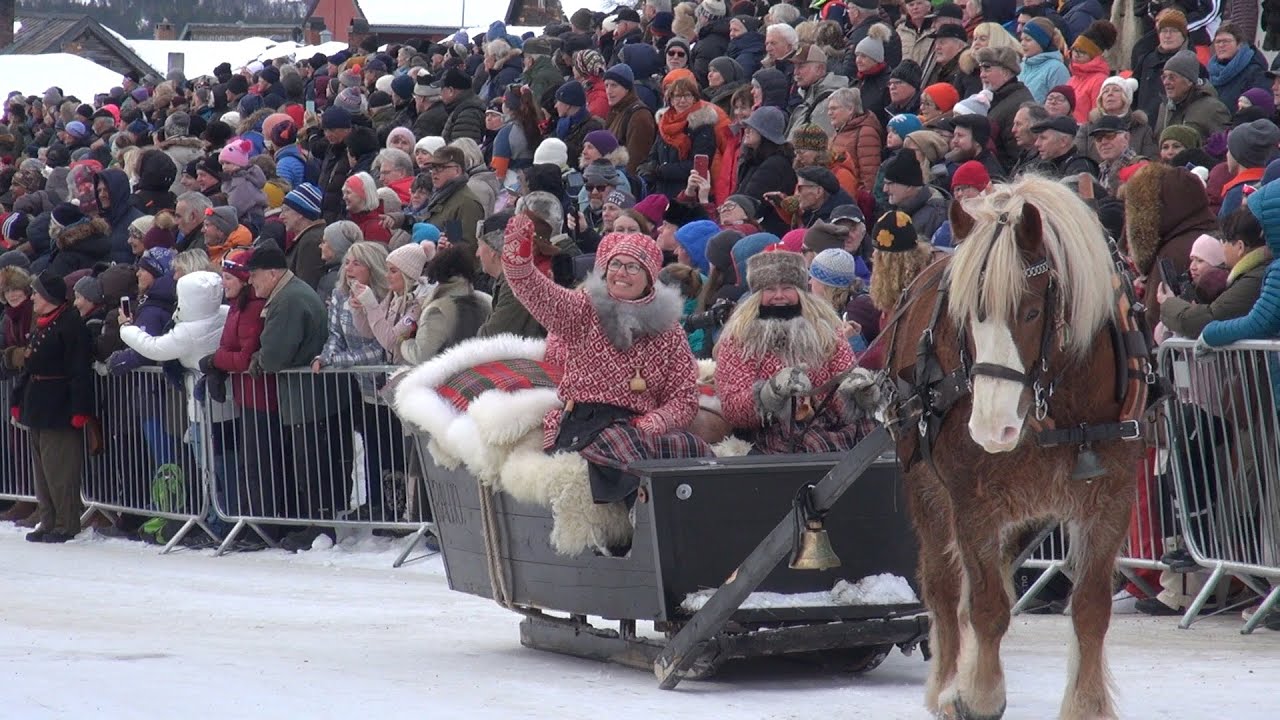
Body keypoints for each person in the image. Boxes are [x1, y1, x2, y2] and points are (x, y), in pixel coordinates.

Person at [501, 213, 710, 504]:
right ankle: (641, 519)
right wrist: (518, 264)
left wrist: (659, 420)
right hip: (587, 422)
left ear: (649, 277)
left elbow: (684, 396)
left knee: (693, 449)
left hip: (642, 425)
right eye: (615, 264)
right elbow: (539, 294)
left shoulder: (669, 331)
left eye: (632, 267)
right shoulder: (584, 309)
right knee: (626, 448)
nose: (621, 273)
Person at [714, 251, 874, 453]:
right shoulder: (740, 337)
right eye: (770, 289)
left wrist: (857, 393)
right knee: (816, 445)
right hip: (770, 427)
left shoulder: (826, 328)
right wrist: (770, 394)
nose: (779, 296)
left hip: (826, 418)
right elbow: (732, 408)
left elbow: (843, 372)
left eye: (787, 288)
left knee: (873, 433)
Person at [245, 243, 338, 552]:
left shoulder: (288, 300)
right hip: (306, 396)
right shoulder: (290, 293)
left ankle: (318, 528)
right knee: (311, 463)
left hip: (307, 399)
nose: (250, 281)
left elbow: (274, 355)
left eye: (254, 274)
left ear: (273, 273)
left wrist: (259, 358)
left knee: (311, 465)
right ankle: (315, 524)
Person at [10, 271, 92, 543]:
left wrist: (80, 409)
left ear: (49, 296)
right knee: (42, 472)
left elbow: (80, 370)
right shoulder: (42, 323)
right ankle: (47, 520)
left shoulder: (70, 324)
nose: (33, 297)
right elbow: (29, 365)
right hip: (37, 403)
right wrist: (17, 400)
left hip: (60, 405)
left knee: (60, 470)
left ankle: (65, 524)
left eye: (36, 293)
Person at [402, 245, 492, 364]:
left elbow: (421, 355)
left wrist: (405, 344)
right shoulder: (487, 300)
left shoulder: (437, 310)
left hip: (452, 372)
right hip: (488, 369)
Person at [641, 77, 720, 200]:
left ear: (694, 99)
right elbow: (654, 155)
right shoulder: (664, 124)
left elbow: (698, 164)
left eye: (687, 95)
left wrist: (662, 171)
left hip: (689, 193)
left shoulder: (702, 126)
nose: (682, 100)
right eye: (677, 96)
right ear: (671, 100)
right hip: (661, 191)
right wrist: (648, 168)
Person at [736, 107, 797, 235]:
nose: (746, 131)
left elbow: (750, 204)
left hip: (766, 233)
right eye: (747, 126)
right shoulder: (755, 160)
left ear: (765, 134)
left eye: (752, 127)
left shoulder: (774, 165)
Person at [975, 45, 1034, 171]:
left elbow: (1017, 152)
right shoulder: (996, 98)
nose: (982, 75)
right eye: (981, 70)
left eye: (987, 69)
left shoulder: (1018, 104)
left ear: (1006, 72)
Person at [1078, 76, 1158, 162]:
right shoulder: (1087, 129)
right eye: (1105, 91)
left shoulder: (1142, 129)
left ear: (1127, 97)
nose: (1110, 94)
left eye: (1116, 90)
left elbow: (1151, 161)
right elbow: (1080, 160)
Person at [1157, 49, 1230, 140]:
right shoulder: (1164, 107)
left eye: (1172, 77)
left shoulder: (1212, 108)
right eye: (1164, 77)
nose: (1166, 82)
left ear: (1189, 81)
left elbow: (1223, 144)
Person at [881, 151, 948, 240]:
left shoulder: (936, 214)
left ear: (909, 186)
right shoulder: (897, 207)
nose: (885, 189)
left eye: (889, 184)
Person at [1207, 23, 1269, 118]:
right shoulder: (1210, 71)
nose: (1221, 45)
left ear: (1239, 44)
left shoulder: (1254, 72)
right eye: (1217, 42)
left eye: (1226, 41)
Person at [604, 64, 658, 174]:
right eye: (606, 85)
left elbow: (635, 160)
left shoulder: (640, 115)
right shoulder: (616, 110)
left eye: (614, 85)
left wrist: (625, 180)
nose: (609, 91)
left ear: (627, 88)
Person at [1067, 20, 1118, 123]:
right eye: (1075, 49)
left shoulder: (1099, 80)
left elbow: (1098, 115)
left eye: (1082, 52)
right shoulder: (1073, 78)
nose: (1076, 54)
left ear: (1093, 55)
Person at [278, 183, 326, 290]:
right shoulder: (308, 237)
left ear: (301, 213)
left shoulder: (311, 242)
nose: (281, 216)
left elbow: (306, 286)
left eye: (286, 210)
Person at [1017, 17, 1070, 103]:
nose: (1023, 43)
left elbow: (1060, 104)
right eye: (1022, 39)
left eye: (1028, 40)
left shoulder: (1056, 69)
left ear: (1042, 42)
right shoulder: (1022, 65)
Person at [1030, 115, 1099, 178]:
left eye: (1043, 138)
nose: (1036, 143)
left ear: (1063, 141)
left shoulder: (1080, 167)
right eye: (1037, 138)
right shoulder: (1043, 165)